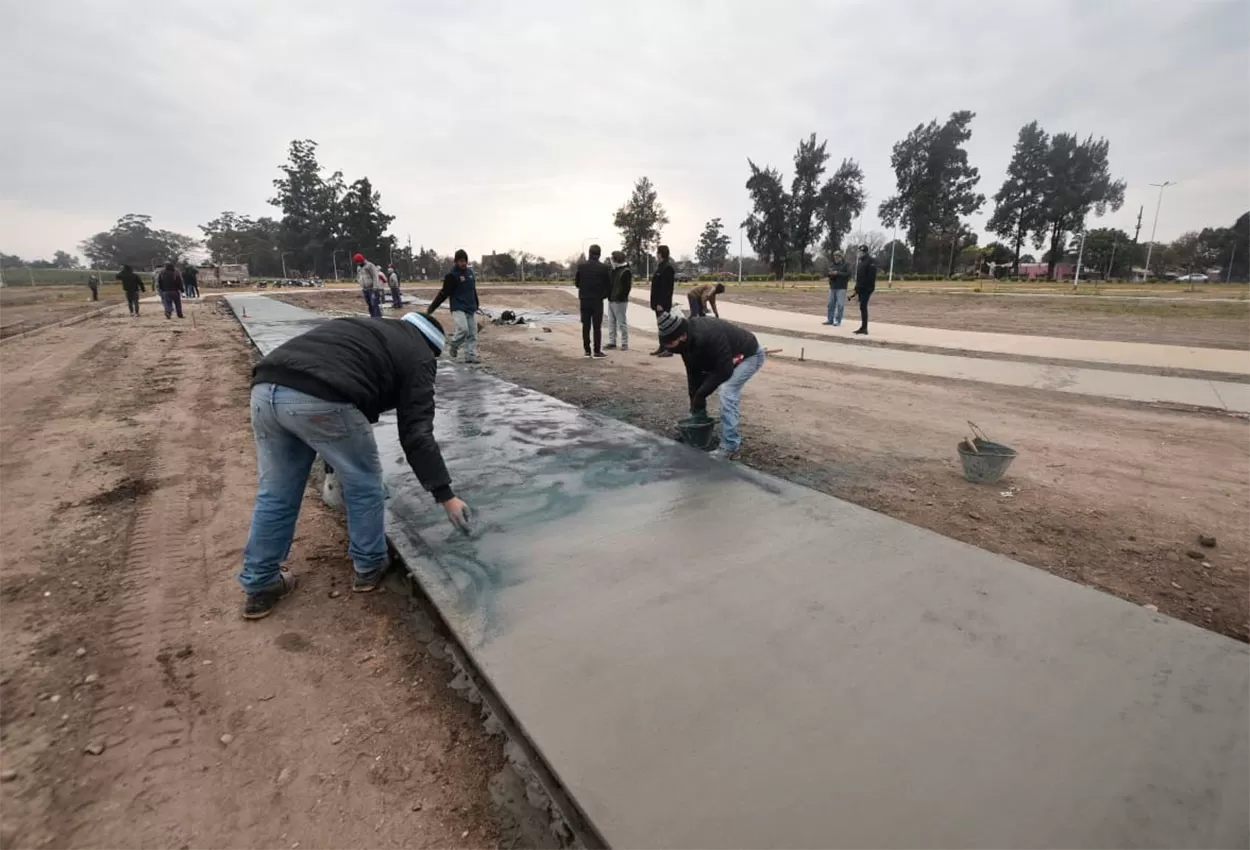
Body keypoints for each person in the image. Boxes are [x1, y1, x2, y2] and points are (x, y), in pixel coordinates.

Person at [239, 312, 471, 618]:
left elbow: (342, 377)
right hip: (322, 398)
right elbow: (416, 434)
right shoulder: (420, 355)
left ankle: (261, 585)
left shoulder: (368, 329)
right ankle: (369, 565)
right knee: (364, 483)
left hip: (265, 388)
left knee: (276, 492)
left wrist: (334, 460)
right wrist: (445, 496)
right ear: (433, 349)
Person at [657, 310, 765, 461]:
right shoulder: (685, 343)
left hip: (748, 355)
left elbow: (724, 370)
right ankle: (696, 428)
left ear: (682, 336)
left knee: (727, 391)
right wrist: (696, 401)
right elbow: (693, 374)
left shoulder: (708, 335)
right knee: (698, 393)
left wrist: (701, 394)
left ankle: (730, 446)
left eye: (670, 344)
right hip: (723, 358)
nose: (668, 348)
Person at [426, 249, 480, 363]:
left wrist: (476, 303)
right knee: (463, 329)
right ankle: (454, 345)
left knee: (472, 333)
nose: (463, 263)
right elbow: (443, 293)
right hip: (458, 307)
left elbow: (472, 289)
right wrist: (432, 308)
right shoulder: (451, 276)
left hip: (470, 307)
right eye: (461, 261)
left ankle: (471, 356)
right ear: (456, 262)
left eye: (465, 260)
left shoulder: (470, 273)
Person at [574, 244, 611, 358]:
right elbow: (608, 285)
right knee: (597, 326)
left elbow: (577, 283)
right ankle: (597, 351)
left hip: (584, 299)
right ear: (599, 254)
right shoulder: (604, 268)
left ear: (589, 253)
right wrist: (603, 295)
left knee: (586, 325)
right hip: (597, 300)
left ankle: (587, 350)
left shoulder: (582, 267)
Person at [649, 245, 676, 357]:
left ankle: (669, 349)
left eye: (657, 253)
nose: (656, 255)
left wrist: (661, 303)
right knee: (661, 326)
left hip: (662, 304)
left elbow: (667, 288)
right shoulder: (660, 267)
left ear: (660, 254)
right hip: (657, 303)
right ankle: (662, 346)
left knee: (666, 326)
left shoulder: (667, 268)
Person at [605, 250, 633, 351]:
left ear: (616, 259)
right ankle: (612, 342)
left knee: (621, 322)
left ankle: (624, 343)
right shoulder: (614, 270)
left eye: (612, 258)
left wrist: (619, 297)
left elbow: (626, 288)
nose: (611, 260)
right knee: (611, 321)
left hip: (620, 301)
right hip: (612, 299)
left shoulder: (625, 271)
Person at [849, 245, 878, 334]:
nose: (859, 254)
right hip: (861, 288)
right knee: (862, 307)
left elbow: (871, 277)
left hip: (866, 289)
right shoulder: (861, 262)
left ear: (864, 252)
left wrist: (869, 288)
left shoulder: (870, 261)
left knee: (863, 307)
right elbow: (860, 278)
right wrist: (856, 289)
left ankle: (864, 328)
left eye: (860, 252)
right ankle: (863, 327)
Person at [825, 251, 850, 326]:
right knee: (830, 304)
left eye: (838, 255)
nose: (836, 257)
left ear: (841, 256)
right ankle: (830, 319)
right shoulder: (832, 264)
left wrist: (838, 273)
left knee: (840, 305)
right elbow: (828, 273)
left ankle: (837, 320)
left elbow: (848, 274)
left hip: (841, 288)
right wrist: (830, 274)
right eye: (835, 255)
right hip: (832, 287)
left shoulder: (846, 265)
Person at [354, 253, 383, 318]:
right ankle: (372, 317)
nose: (358, 264)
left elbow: (375, 276)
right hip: (365, 289)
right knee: (369, 305)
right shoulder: (359, 268)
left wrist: (375, 287)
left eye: (358, 262)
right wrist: (360, 282)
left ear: (361, 260)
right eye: (356, 263)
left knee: (374, 305)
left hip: (372, 289)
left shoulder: (370, 265)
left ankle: (378, 318)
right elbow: (359, 276)